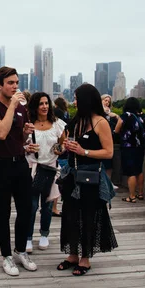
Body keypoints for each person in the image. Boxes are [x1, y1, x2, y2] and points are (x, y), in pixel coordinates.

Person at [0, 66, 36, 276]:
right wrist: (13, 106)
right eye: (10, 83)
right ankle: (6, 256)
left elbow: (17, 139)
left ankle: (20, 250)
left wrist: (24, 133)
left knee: (26, 209)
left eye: (16, 83)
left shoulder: (23, 108)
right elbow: (2, 134)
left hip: (20, 163)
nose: (15, 87)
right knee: (3, 212)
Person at [59, 83, 117, 276]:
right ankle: (73, 254)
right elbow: (60, 146)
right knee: (70, 216)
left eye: (76, 98)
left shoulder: (101, 122)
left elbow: (109, 153)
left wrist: (83, 151)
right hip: (72, 176)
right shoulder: (75, 122)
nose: (73, 102)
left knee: (88, 216)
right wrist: (65, 146)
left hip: (90, 178)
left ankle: (85, 258)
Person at [25, 92, 66, 253]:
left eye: (46, 103)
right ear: (35, 106)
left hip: (50, 168)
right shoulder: (28, 124)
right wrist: (26, 148)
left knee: (48, 206)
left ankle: (44, 234)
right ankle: (28, 237)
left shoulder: (57, 124)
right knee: (31, 206)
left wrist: (59, 149)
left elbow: (63, 142)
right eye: (41, 103)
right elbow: (19, 143)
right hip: (32, 169)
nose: (44, 106)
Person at [114, 97, 145, 203]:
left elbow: (116, 129)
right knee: (139, 170)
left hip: (128, 147)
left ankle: (132, 196)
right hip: (140, 147)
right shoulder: (144, 116)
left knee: (131, 172)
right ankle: (141, 193)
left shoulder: (125, 116)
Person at [52, 97, 70, 217]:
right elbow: (61, 146)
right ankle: (54, 208)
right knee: (57, 184)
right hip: (60, 158)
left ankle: (50, 207)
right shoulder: (63, 124)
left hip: (55, 159)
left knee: (55, 184)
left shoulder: (55, 125)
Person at [101, 94, 119, 190]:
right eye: (105, 100)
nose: (107, 102)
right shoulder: (98, 113)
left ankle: (109, 182)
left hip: (110, 139)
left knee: (109, 163)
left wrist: (115, 116)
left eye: (108, 101)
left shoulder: (111, 114)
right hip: (100, 141)